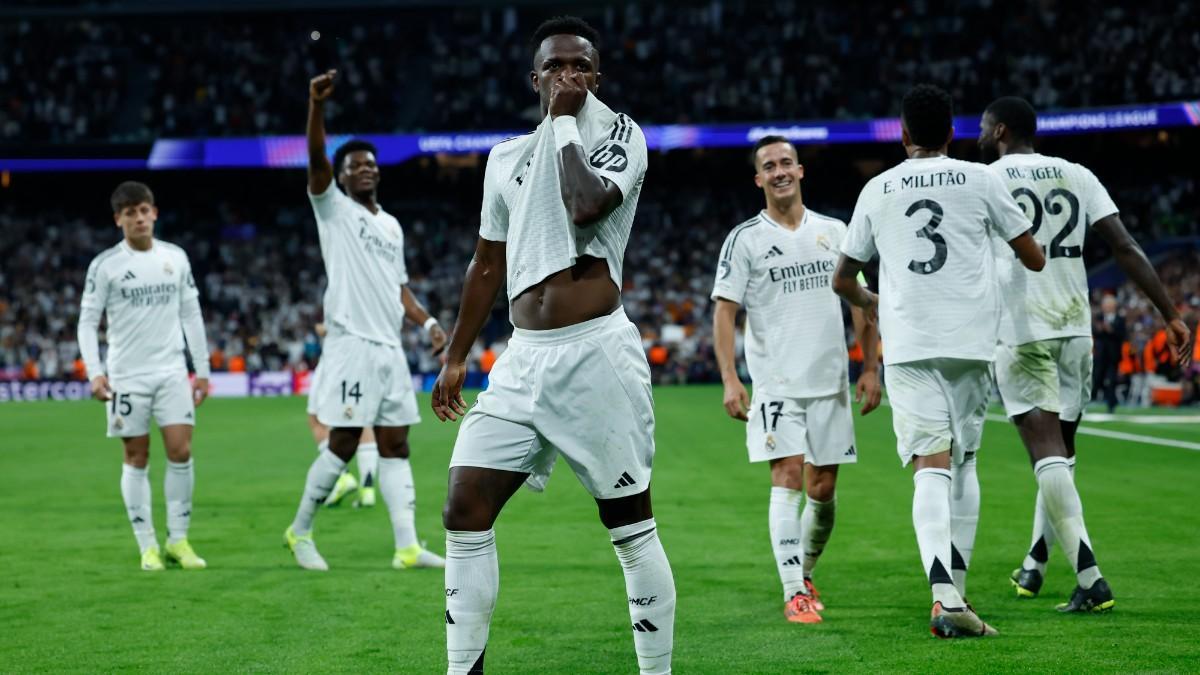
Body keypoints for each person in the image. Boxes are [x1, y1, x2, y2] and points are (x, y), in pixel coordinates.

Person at [432, 16, 674, 674]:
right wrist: (457, 353)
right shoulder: (504, 157)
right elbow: (486, 265)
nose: (568, 76)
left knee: (629, 525)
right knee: (464, 504)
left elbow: (586, 205)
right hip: (521, 360)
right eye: (556, 67)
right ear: (533, 77)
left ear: (597, 76)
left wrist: (566, 122)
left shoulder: (621, 134)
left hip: (596, 354)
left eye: (581, 66)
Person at [833, 84, 1046, 637]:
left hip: (908, 344)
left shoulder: (877, 189)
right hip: (972, 342)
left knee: (930, 465)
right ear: (952, 133)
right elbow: (1034, 257)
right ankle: (956, 590)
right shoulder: (984, 179)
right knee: (966, 463)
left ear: (903, 136)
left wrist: (870, 299)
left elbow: (842, 278)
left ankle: (945, 598)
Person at [978, 96, 1192, 608]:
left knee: (1046, 454)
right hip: (1075, 328)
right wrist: (1170, 313)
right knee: (1060, 455)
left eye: (985, 128)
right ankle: (1034, 564)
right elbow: (1124, 246)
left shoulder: (987, 178)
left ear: (1002, 130)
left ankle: (1091, 577)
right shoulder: (1078, 173)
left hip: (1022, 327)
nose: (980, 136)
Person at [711, 135, 881, 624]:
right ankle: (793, 593)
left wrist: (870, 367)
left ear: (801, 171)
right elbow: (725, 312)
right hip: (777, 383)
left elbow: (862, 303)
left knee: (823, 489)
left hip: (830, 382)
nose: (780, 170)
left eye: (787, 162)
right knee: (786, 477)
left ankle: (802, 572)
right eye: (770, 165)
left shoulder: (834, 231)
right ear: (758, 178)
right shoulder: (745, 238)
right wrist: (730, 378)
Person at [284, 69, 447, 572]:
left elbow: (399, 289)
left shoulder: (391, 225)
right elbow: (315, 159)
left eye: (371, 164)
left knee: (397, 442)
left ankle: (406, 547)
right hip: (351, 343)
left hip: (388, 349)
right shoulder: (333, 210)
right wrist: (316, 105)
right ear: (340, 176)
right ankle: (300, 531)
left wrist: (428, 324)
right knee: (345, 441)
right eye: (355, 165)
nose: (366, 170)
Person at [77, 181, 212, 572]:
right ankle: (147, 545)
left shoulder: (176, 258)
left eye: (144, 210)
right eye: (130, 212)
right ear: (118, 219)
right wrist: (95, 372)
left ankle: (179, 540)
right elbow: (87, 322)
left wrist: (201, 370)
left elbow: (192, 315)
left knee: (181, 451)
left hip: (171, 372)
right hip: (127, 377)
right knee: (136, 457)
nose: (139, 218)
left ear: (154, 212)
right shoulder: (105, 266)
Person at [305, 323, 379, 509]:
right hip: (365, 359)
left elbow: (337, 326)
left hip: (337, 360)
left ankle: (342, 476)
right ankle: (367, 487)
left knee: (316, 418)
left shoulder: (344, 295)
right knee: (362, 419)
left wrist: (321, 328)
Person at [1091, 295, 1127, 413]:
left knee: (1111, 380)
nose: (1106, 308)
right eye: (1105, 305)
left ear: (1114, 307)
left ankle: (1111, 405)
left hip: (1113, 356)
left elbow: (1122, 335)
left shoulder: (1120, 319)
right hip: (1101, 355)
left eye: (1109, 305)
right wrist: (1100, 330)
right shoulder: (1099, 317)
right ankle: (1105, 399)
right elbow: (1095, 333)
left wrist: (1111, 330)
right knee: (1097, 379)